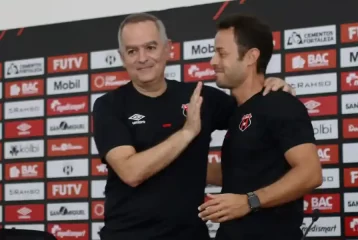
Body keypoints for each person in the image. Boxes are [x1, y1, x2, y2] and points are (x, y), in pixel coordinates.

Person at [92, 13, 295, 240]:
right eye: (132, 51)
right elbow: (131, 172)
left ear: (168, 48)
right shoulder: (109, 106)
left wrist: (271, 86)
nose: (142, 58)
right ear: (122, 57)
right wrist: (187, 132)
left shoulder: (198, 97)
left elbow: (254, 115)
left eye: (150, 47)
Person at [198, 14, 323, 240]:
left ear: (251, 57)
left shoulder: (279, 103)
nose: (213, 61)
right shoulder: (237, 111)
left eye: (222, 53)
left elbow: (311, 173)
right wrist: (181, 166)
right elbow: (243, 171)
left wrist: (250, 201)